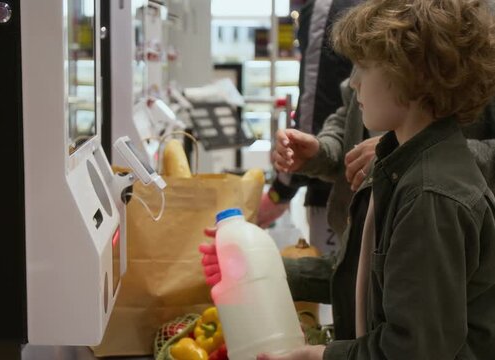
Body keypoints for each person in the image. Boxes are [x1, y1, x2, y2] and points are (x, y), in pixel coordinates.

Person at [202, 0, 495, 358]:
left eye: (364, 67)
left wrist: (321, 356)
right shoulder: (400, 167)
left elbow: (414, 348)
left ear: (411, 76)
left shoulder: (429, 196)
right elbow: (365, 279)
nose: (352, 82)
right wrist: (261, 267)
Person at [259, 0, 362, 256]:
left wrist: (280, 191)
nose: (357, 82)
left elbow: (317, 104)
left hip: (343, 193)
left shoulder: (326, 9)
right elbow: (342, 112)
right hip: (361, 181)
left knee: (342, 285)